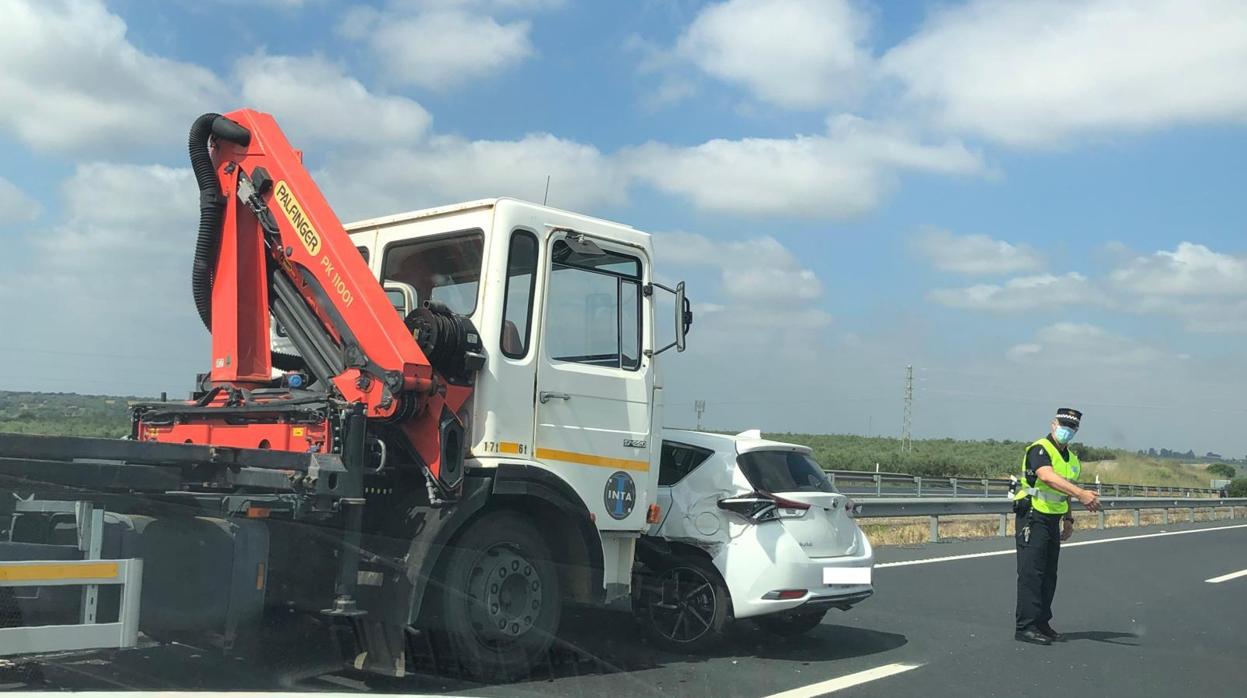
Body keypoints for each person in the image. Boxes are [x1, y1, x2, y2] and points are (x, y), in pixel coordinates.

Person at [1012, 408, 1103, 645]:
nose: (1066, 430)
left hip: (1053, 518)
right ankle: (1025, 626)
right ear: (1053, 424)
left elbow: (1065, 490)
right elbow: (1047, 477)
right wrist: (1082, 493)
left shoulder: (1072, 460)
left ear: (1076, 431)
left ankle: (1042, 622)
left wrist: (1069, 519)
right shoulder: (1040, 449)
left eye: (1071, 427)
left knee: (1049, 574)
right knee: (1032, 573)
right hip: (1033, 516)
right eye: (1063, 424)